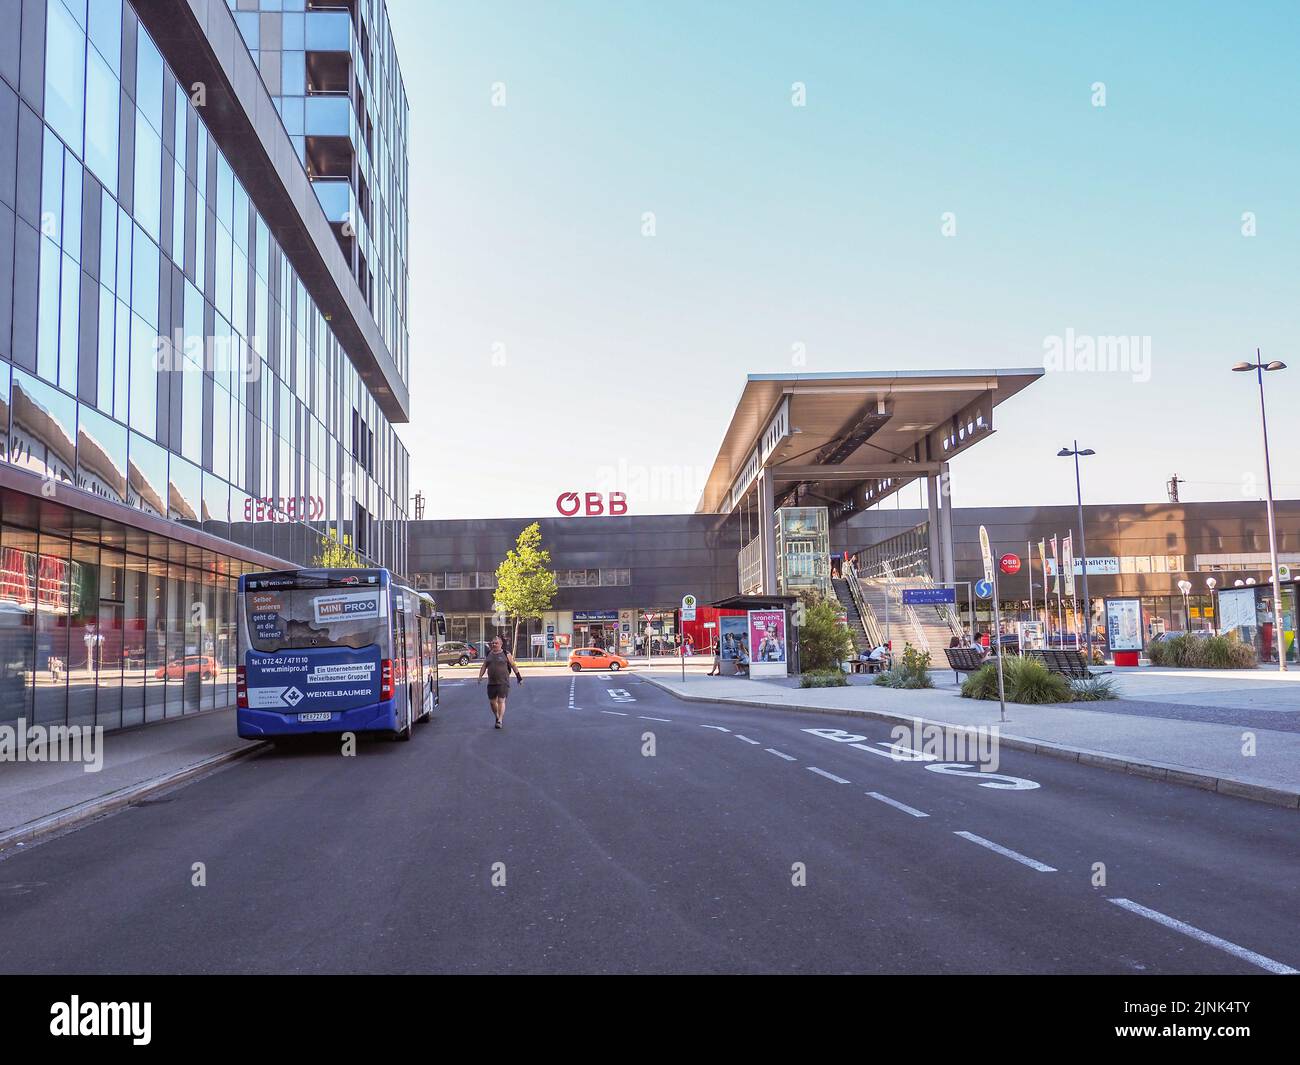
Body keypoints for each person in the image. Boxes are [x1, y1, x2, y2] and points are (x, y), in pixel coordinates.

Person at [477, 636, 522, 729]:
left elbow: (513, 665)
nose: (494, 644)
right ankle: (497, 716)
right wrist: (480, 676)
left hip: (503, 682)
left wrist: (519, 678)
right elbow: (484, 666)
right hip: (491, 682)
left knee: (501, 701)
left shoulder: (506, 654)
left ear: (501, 644)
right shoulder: (489, 654)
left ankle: (500, 720)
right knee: (492, 702)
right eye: (493, 643)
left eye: (496, 643)